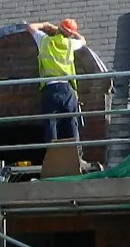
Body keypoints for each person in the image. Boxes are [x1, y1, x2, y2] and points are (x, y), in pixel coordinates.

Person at [28, 18, 87, 149]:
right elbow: (83, 40)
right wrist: (71, 34)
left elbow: (31, 27)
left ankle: (53, 156)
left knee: (51, 124)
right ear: (70, 34)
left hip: (50, 89)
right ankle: (76, 154)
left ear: (59, 29)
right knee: (71, 122)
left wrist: (46, 25)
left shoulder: (44, 41)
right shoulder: (70, 44)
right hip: (67, 89)